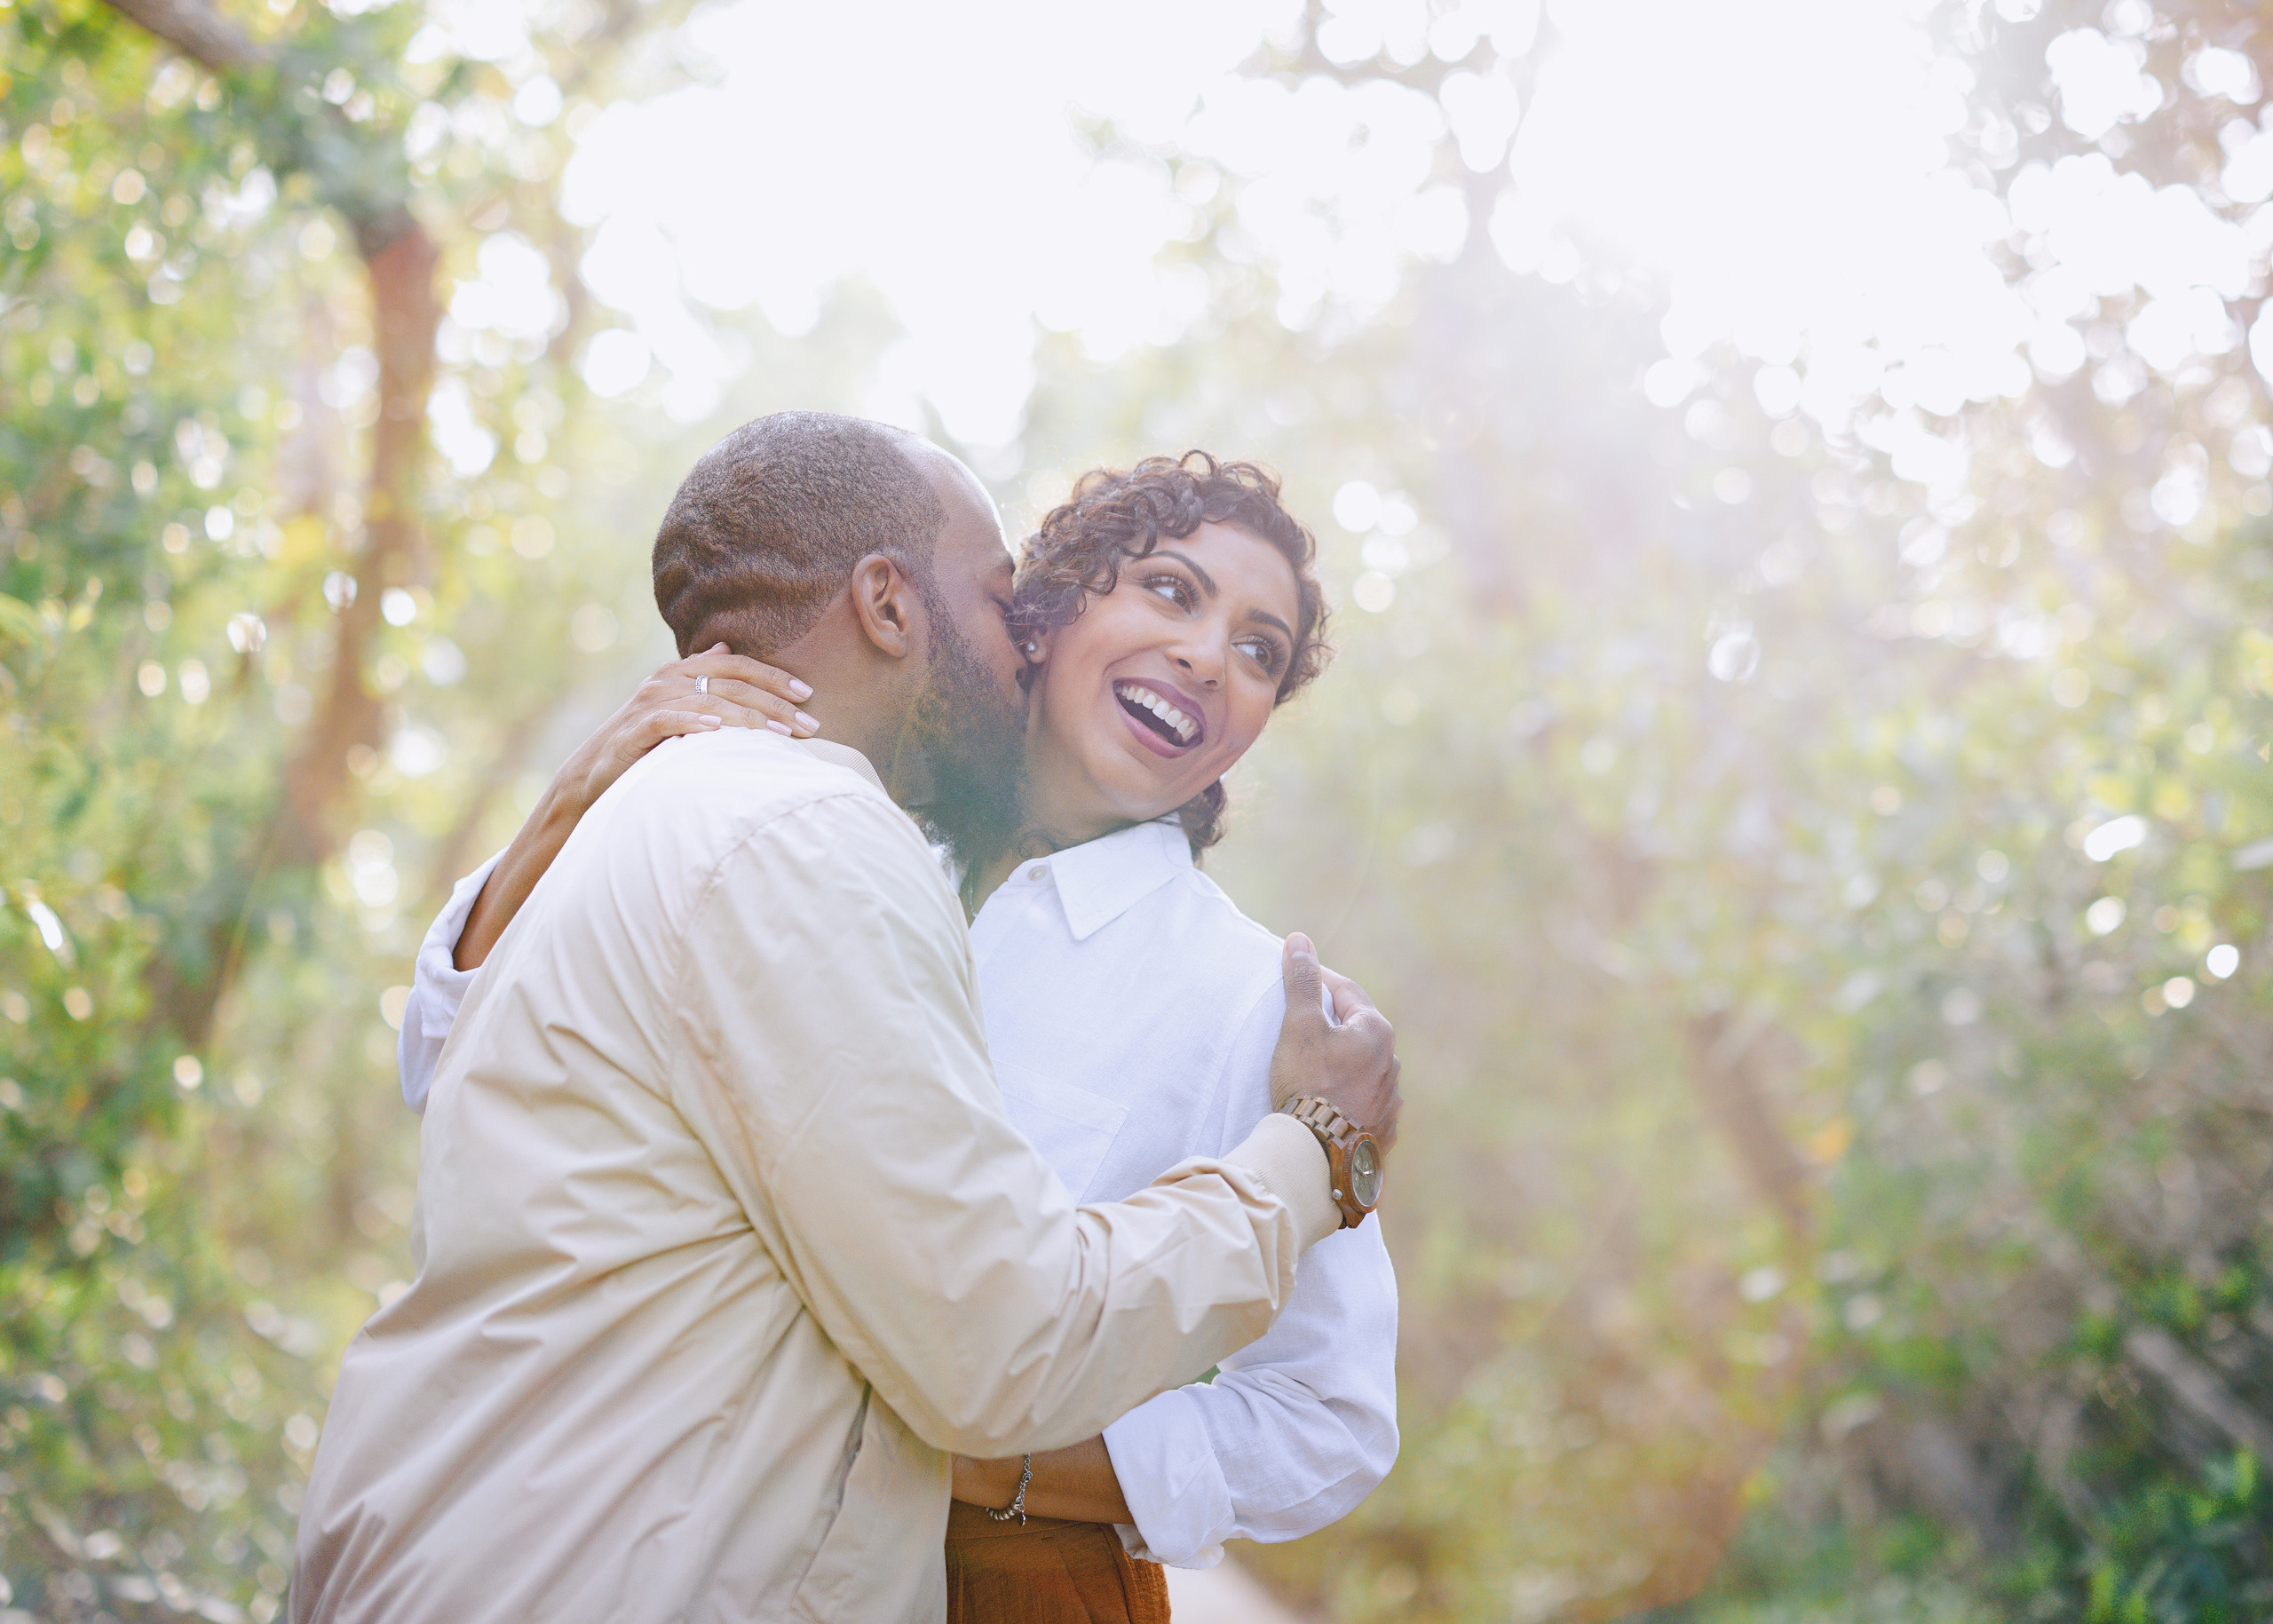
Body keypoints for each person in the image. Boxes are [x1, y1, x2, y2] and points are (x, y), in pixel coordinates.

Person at [292, 414, 1400, 1624]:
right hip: (716, 1528)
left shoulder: (1254, 994)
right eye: (1173, 593)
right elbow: (447, 1060)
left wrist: (1017, 1466)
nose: (1206, 656)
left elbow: (1329, 1414)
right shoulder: (822, 827)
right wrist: (570, 803)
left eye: (1258, 650)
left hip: (1028, 1570)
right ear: (1043, 613)